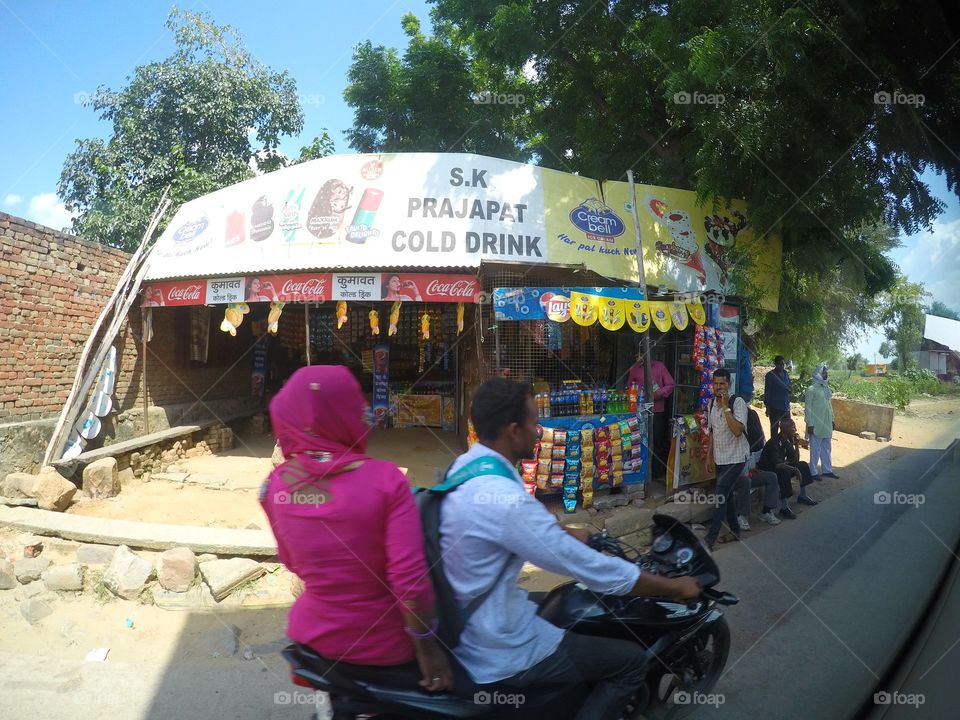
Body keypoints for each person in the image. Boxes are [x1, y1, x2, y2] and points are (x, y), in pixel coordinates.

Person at [440, 378, 700, 720]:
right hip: (499, 648)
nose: (539, 431)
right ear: (512, 430)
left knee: (559, 604)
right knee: (629, 663)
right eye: (534, 422)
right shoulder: (506, 498)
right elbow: (594, 571)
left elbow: (516, 530)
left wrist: (561, 530)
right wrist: (672, 586)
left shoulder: (466, 467)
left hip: (466, 623)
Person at [260, 366, 452, 692]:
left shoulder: (276, 485)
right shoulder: (387, 481)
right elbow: (410, 581)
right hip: (384, 647)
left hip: (313, 642)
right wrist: (427, 649)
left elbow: (292, 562)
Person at [703, 369, 749, 550]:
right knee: (727, 496)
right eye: (716, 383)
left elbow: (737, 431)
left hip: (737, 457)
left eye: (722, 383)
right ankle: (735, 530)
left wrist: (725, 407)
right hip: (720, 457)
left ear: (729, 384)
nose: (719, 387)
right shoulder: (710, 404)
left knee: (720, 494)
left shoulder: (737, 403)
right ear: (712, 385)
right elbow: (713, 432)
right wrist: (709, 457)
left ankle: (709, 539)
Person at [626, 350, 675, 478]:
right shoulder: (634, 369)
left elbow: (670, 384)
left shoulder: (659, 366)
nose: (638, 358)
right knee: (640, 440)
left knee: (657, 440)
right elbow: (629, 387)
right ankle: (642, 471)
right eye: (636, 355)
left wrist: (657, 393)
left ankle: (657, 472)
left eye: (640, 354)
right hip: (639, 411)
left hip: (657, 410)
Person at [757, 417, 818, 520]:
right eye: (792, 427)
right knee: (784, 472)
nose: (795, 429)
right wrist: (794, 469)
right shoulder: (774, 442)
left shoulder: (787, 440)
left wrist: (796, 444)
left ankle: (802, 496)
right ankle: (784, 508)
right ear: (784, 429)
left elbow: (795, 460)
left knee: (802, 465)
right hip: (768, 470)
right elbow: (777, 465)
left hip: (779, 466)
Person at [733, 401, 782, 530]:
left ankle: (766, 511)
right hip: (736, 477)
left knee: (771, 477)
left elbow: (752, 464)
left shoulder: (752, 442)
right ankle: (741, 516)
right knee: (745, 481)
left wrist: (753, 471)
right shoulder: (735, 441)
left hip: (748, 473)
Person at [805, 363, 839, 479]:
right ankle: (813, 472)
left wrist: (833, 419)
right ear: (818, 373)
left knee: (827, 447)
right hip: (816, 423)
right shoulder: (811, 389)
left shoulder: (826, 388)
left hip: (826, 422)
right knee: (815, 449)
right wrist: (809, 424)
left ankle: (827, 470)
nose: (826, 374)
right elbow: (808, 409)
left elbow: (829, 405)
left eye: (826, 372)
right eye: (824, 372)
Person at [764, 355, 792, 439]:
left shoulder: (786, 374)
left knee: (787, 428)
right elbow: (767, 391)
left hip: (785, 406)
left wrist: (790, 388)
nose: (782, 366)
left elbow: (789, 385)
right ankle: (774, 448)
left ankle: (787, 448)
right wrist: (767, 407)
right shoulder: (770, 375)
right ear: (775, 364)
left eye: (783, 364)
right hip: (775, 407)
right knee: (774, 430)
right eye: (779, 364)